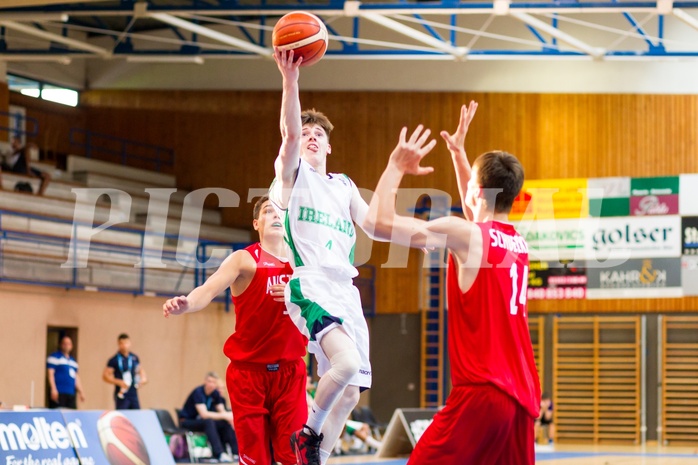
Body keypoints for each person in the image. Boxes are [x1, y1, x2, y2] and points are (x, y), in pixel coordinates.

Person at [367, 102, 541, 464]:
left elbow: (378, 223)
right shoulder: (517, 243)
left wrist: (395, 166)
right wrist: (459, 154)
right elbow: (475, 208)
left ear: (478, 191)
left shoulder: (466, 236)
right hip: (521, 400)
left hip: (482, 393)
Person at [271, 48, 379, 465]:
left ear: (330, 147)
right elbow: (291, 135)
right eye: (308, 132)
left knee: (350, 391)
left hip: (346, 291)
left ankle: (317, 457)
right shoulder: (293, 177)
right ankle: (308, 433)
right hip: (312, 281)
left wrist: (418, 236)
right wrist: (290, 80)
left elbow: (373, 225)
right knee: (346, 362)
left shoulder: (345, 185)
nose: (312, 136)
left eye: (320, 135)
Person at [162, 196, 308, 465]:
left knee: (295, 455)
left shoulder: (304, 262)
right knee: (256, 458)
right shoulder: (244, 260)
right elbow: (208, 289)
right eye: (268, 211)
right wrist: (187, 304)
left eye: (280, 212)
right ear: (256, 223)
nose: (276, 216)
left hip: (290, 372)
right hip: (249, 374)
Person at [179, 372, 238, 464]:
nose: (211, 384)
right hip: (187, 421)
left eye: (214, 382)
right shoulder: (198, 392)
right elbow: (204, 414)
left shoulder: (215, 394)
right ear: (205, 381)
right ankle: (219, 453)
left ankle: (236, 453)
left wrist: (229, 417)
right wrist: (226, 415)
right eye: (209, 381)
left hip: (202, 422)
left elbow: (221, 411)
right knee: (209, 421)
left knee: (224, 422)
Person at [103, 333, 147, 409]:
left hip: (133, 393)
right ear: (118, 344)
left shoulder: (134, 357)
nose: (124, 345)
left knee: (136, 414)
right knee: (123, 414)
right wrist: (118, 382)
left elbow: (140, 370)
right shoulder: (114, 360)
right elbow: (105, 376)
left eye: (126, 343)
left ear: (130, 343)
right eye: (122, 343)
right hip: (121, 393)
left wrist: (143, 378)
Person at [46, 335, 85, 409]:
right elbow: (50, 374)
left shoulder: (73, 361)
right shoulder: (54, 357)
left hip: (70, 392)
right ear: (61, 345)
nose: (67, 346)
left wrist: (81, 392)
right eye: (65, 343)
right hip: (59, 391)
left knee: (71, 413)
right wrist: (53, 389)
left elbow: (76, 377)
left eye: (69, 344)